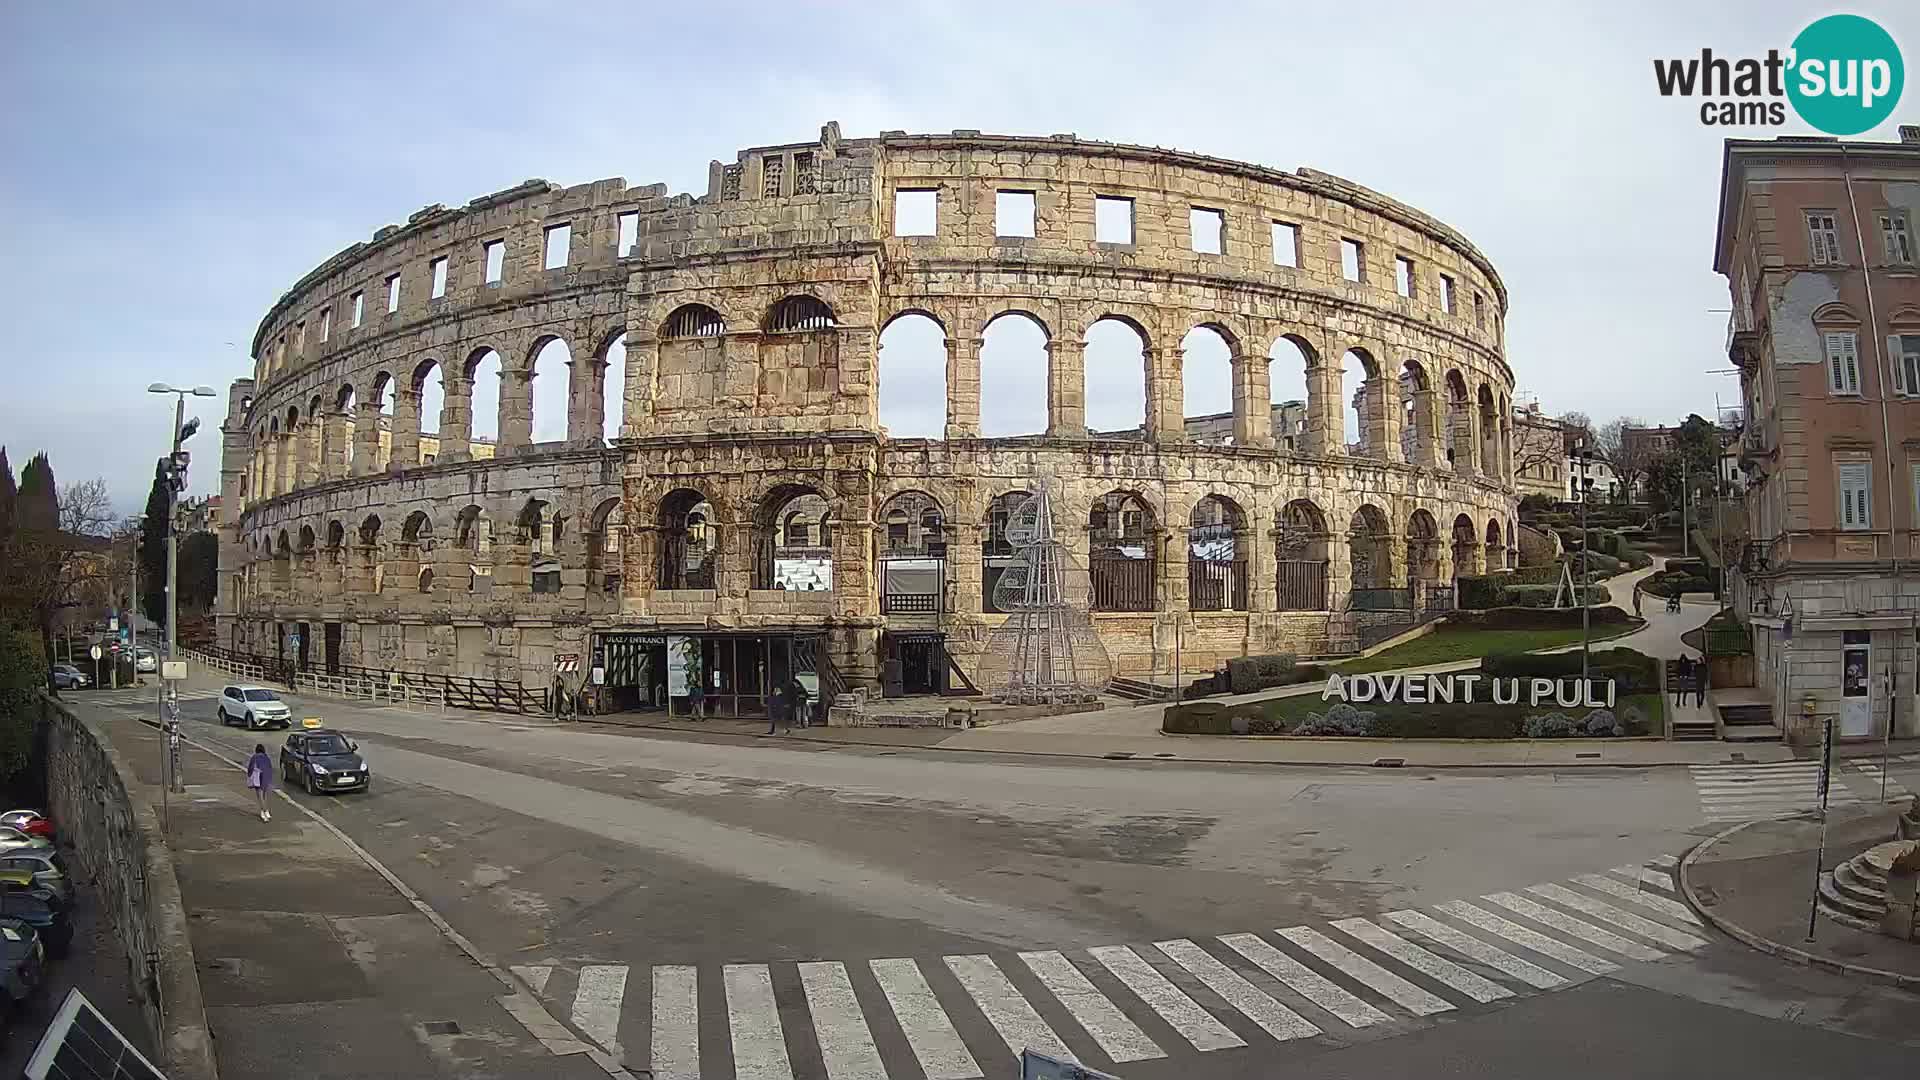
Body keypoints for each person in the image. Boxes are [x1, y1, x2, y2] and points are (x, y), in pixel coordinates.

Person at [246, 743, 274, 822]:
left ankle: (265, 812)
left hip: (258, 778)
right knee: (264, 796)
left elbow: (250, 768)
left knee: (260, 796)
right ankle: (263, 812)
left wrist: (249, 775)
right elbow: (270, 768)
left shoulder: (255, 757)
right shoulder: (266, 757)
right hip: (266, 778)